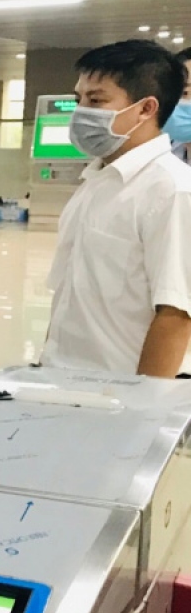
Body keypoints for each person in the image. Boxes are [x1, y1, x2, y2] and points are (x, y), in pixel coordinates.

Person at [44, 40, 191, 378]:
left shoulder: (172, 191)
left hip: (124, 389)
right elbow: (69, 294)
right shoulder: (96, 181)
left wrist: (142, 408)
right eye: (78, 98)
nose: (81, 110)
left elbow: (177, 314)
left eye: (96, 100)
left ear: (145, 108)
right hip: (68, 378)